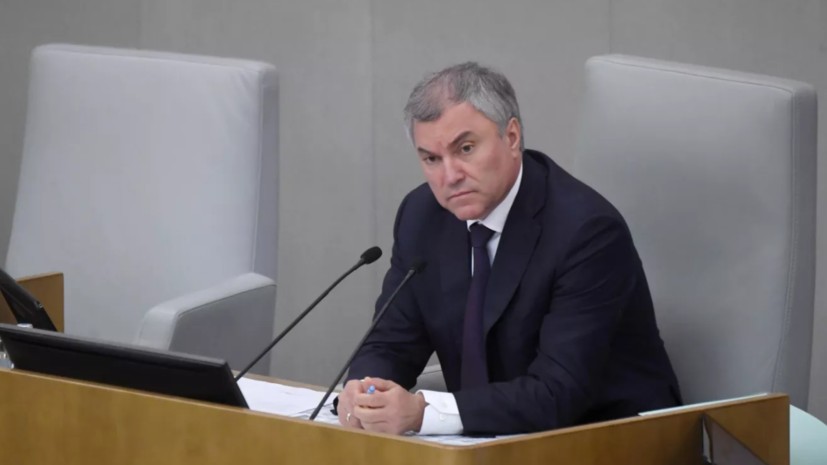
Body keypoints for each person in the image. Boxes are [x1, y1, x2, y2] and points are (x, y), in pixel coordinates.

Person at [337, 62, 681, 436]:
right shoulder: (423, 217)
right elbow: (390, 342)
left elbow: (558, 393)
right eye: (431, 159)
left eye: (465, 148)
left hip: (608, 440)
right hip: (491, 442)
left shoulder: (586, 232)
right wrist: (365, 391)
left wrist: (423, 413)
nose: (450, 176)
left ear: (512, 136)